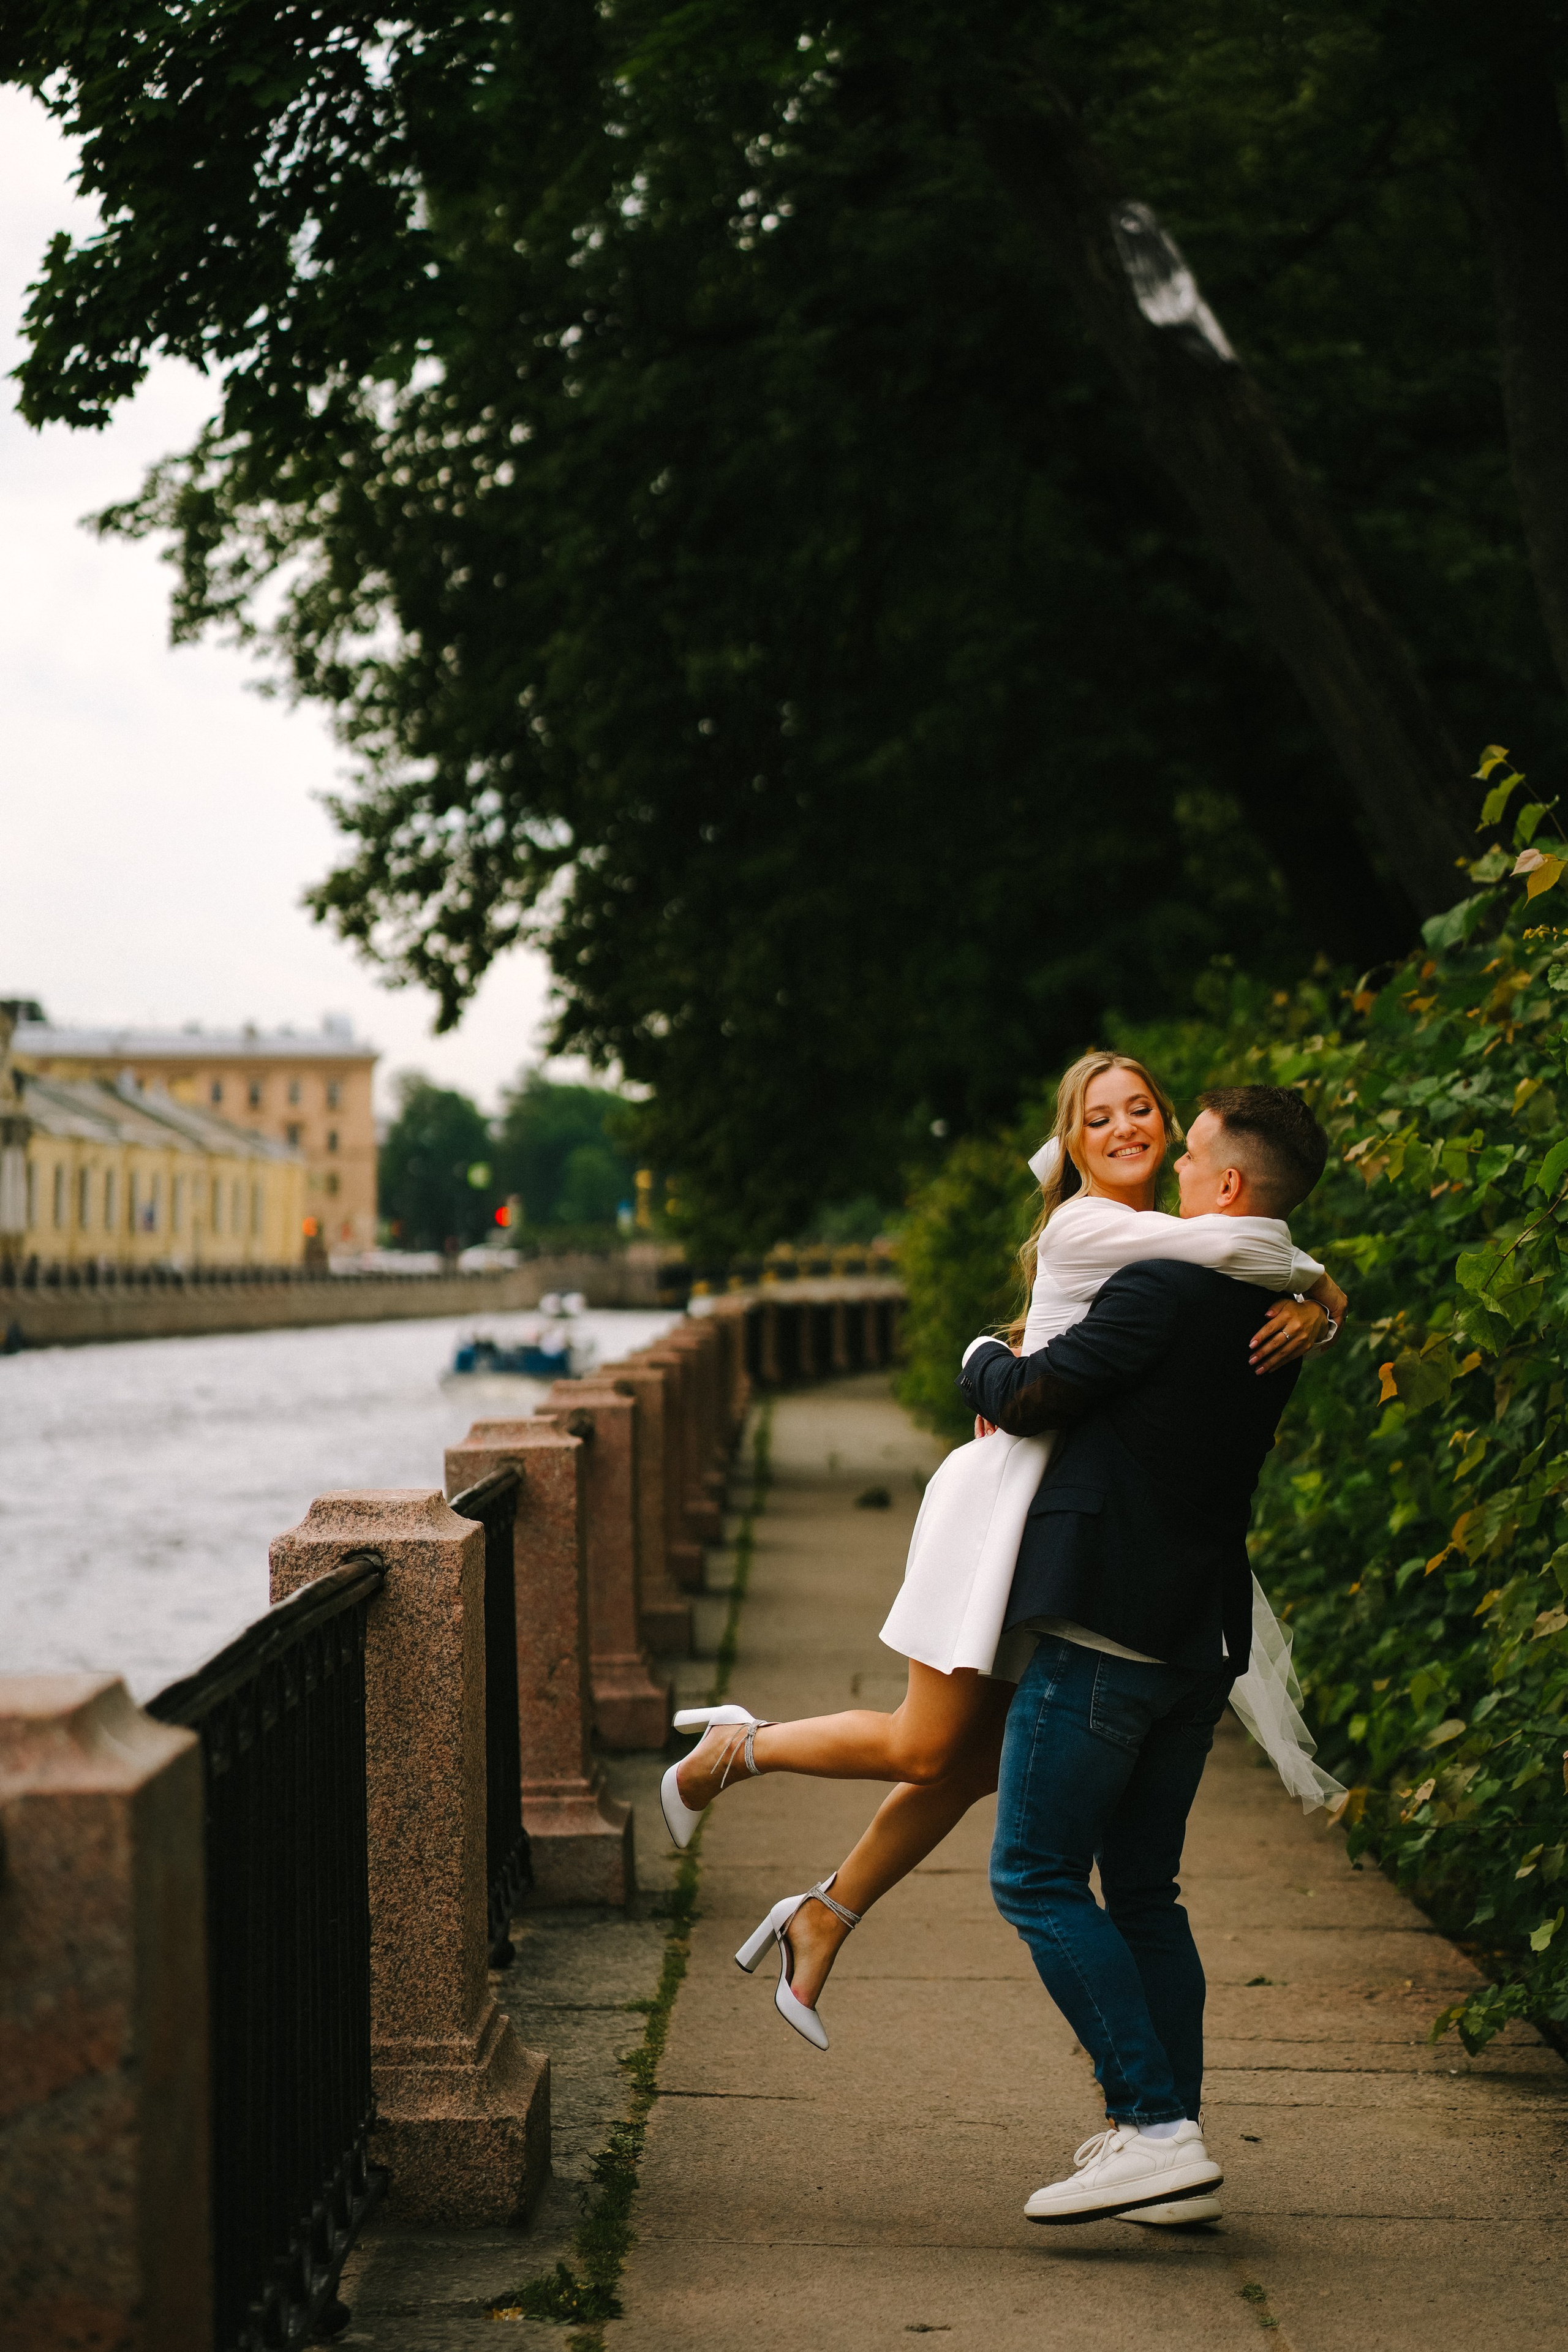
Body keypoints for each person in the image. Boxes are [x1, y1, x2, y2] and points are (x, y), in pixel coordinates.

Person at [660, 1055, 1346, 2051]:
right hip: (1004, 1505)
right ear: (1070, 1145)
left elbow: (1236, 1247)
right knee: (925, 1744)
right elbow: (1251, 1247)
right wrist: (1324, 1293)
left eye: (1144, 1111)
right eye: (1097, 1119)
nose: (1126, 1130)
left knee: (972, 1759)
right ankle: (734, 1753)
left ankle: (824, 1915)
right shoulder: (1111, 1228)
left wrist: (1316, 1310)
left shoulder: (1190, 1244)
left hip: (1070, 1531)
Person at [961, 1084, 1333, 2225]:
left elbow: (1025, 1398)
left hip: (1106, 1634)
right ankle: (1160, 2137)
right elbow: (1287, 1266)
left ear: (1227, 1189)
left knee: (1031, 1874)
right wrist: (1326, 1297)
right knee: (1148, 1895)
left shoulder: (1164, 1289)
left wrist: (980, 1348)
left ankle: (1157, 2125)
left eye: (1191, 1161)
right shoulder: (1279, 1313)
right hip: (1196, 1643)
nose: (1169, 1171)